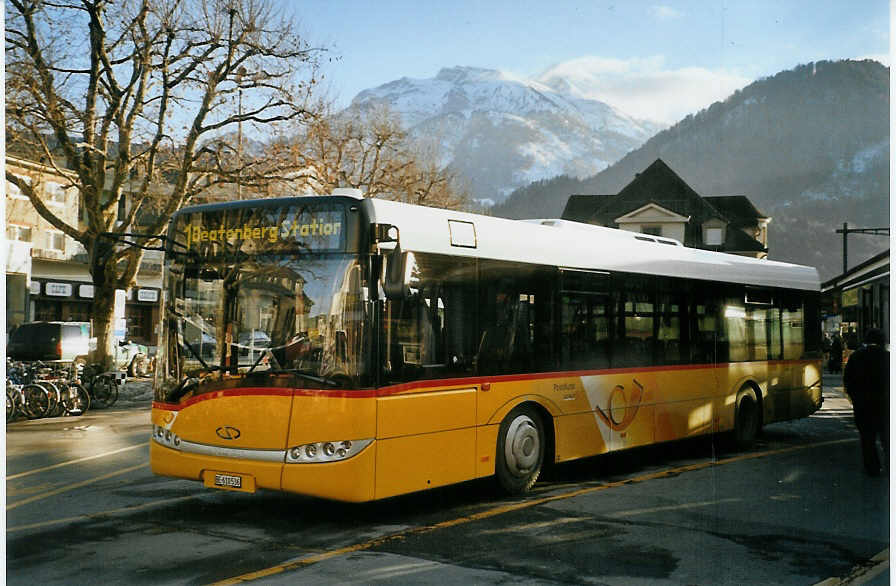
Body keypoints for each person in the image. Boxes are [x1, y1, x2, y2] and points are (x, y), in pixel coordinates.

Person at [843, 328, 889, 476]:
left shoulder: (856, 357)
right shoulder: (888, 357)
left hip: (863, 406)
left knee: (867, 439)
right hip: (885, 405)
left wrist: (856, 398)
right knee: (888, 438)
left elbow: (848, 381)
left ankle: (872, 468)